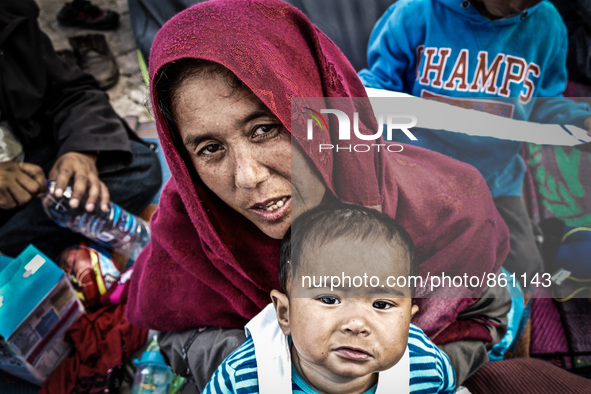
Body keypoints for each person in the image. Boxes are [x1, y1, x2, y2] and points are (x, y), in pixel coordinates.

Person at [126, 0, 511, 390]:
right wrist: (268, 365)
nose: (247, 177)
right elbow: (175, 334)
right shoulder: (191, 225)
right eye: (209, 149)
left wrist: (414, 374)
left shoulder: (447, 212)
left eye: (264, 128)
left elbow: (486, 314)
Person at [358, 0, 591, 285]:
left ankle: (547, 241)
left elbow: (545, 104)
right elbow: (379, 85)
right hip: (418, 175)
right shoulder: (415, 12)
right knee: (398, 269)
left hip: (495, 180)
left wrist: (581, 122)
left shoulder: (547, 23)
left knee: (527, 274)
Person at [203, 204, 456, 393]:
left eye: (381, 304)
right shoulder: (245, 379)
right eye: (330, 299)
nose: (356, 324)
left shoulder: (426, 366)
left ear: (408, 322)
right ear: (284, 314)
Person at [0, 0, 161, 261]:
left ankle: (21, 251)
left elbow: (71, 92)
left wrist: (81, 150)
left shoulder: (9, 19)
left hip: (31, 160)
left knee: (138, 167)